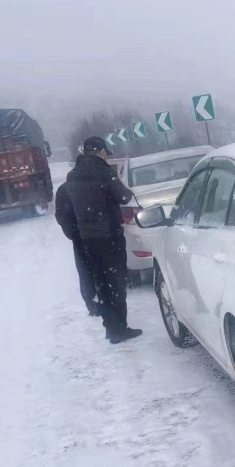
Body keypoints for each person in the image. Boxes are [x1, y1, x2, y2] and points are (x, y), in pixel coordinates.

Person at [63, 136, 143, 343]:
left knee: (101, 283)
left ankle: (109, 327)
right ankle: (120, 329)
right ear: (100, 152)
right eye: (106, 153)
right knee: (116, 282)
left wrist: (76, 232)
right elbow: (124, 197)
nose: (106, 156)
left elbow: (67, 208)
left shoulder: (72, 176)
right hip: (109, 236)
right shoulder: (105, 172)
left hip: (88, 240)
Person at [54, 179, 100, 317]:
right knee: (99, 269)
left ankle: (92, 304)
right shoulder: (92, 184)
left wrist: (73, 234)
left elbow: (60, 215)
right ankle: (101, 302)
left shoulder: (64, 189)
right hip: (97, 235)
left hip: (80, 238)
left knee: (85, 271)